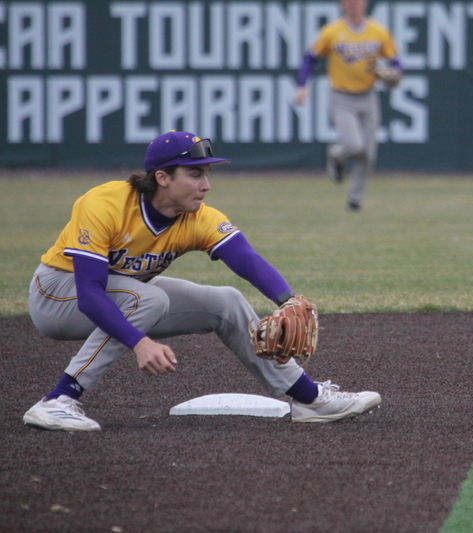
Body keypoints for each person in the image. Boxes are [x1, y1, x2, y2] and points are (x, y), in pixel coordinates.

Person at [23, 130, 381, 431]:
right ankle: (59, 399)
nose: (206, 185)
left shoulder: (196, 217)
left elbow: (246, 258)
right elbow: (89, 292)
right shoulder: (104, 204)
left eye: (207, 174)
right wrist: (139, 343)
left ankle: (308, 399)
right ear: (163, 177)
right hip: (56, 295)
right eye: (195, 174)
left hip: (127, 293)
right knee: (149, 299)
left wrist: (286, 299)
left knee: (225, 301)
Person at [293, 0, 403, 213]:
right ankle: (336, 155)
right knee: (354, 145)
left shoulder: (378, 32)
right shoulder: (332, 31)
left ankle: (355, 201)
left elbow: (396, 63)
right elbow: (311, 57)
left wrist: (393, 74)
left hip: (368, 96)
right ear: (342, 3)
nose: (353, 3)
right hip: (341, 96)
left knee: (368, 154)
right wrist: (302, 85)